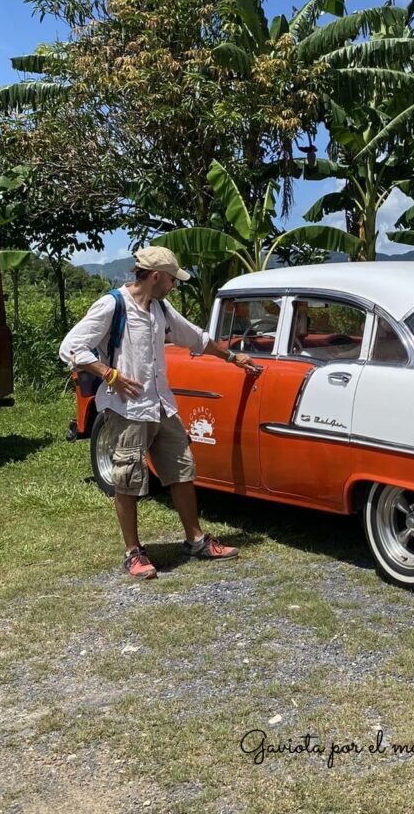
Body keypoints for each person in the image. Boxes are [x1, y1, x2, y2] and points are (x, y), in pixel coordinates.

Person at [59, 245, 261, 579]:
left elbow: (195, 338)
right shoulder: (114, 304)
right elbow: (71, 346)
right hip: (127, 409)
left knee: (182, 469)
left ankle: (195, 540)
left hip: (160, 404)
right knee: (127, 479)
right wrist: (109, 374)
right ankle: (133, 553)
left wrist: (231, 357)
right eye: (172, 279)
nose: (175, 285)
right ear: (156, 276)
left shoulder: (160, 309)